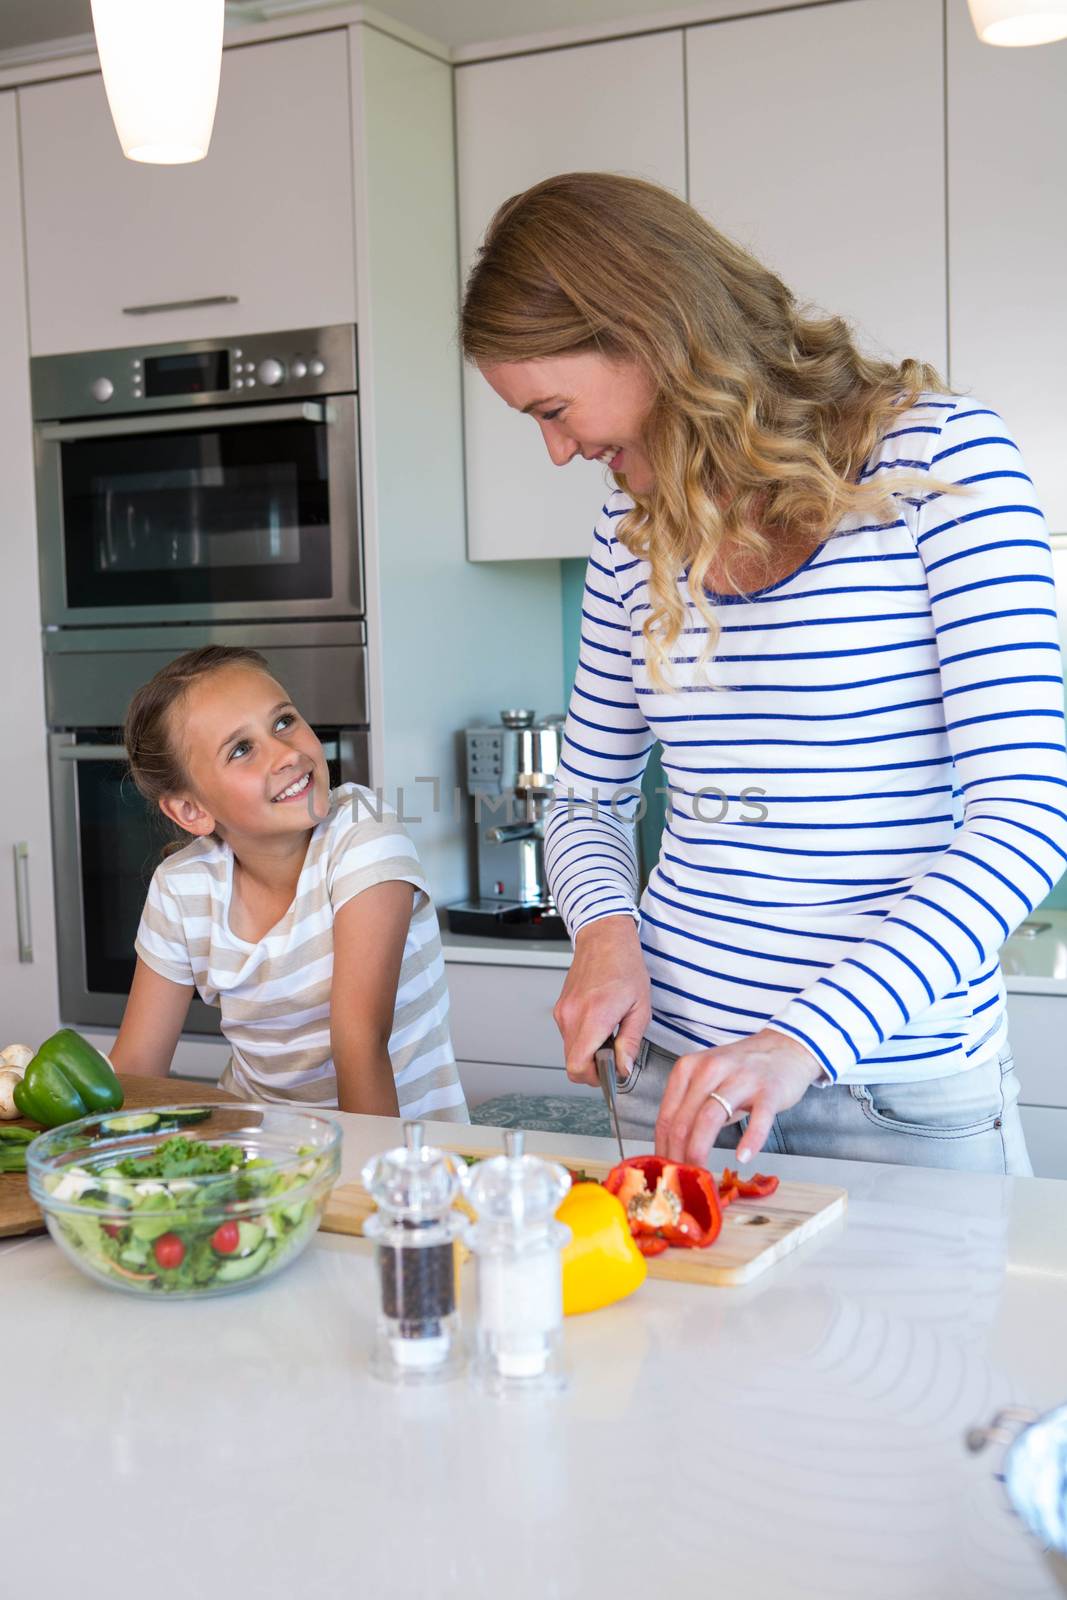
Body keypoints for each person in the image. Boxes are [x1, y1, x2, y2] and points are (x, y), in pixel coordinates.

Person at [461, 171, 1067, 1175]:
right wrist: (604, 933)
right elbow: (584, 799)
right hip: (671, 1076)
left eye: (556, 409)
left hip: (890, 1092)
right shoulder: (628, 530)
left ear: (647, 335)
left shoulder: (941, 464)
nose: (558, 449)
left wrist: (803, 1040)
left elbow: (1023, 818)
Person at [110, 644, 468, 1122]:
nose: (285, 754)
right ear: (192, 811)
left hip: (401, 1156)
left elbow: (359, 1044)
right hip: (263, 1156)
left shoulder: (363, 835)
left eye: (283, 722)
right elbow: (136, 1070)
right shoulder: (182, 889)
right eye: (241, 750)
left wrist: (365, 1191)